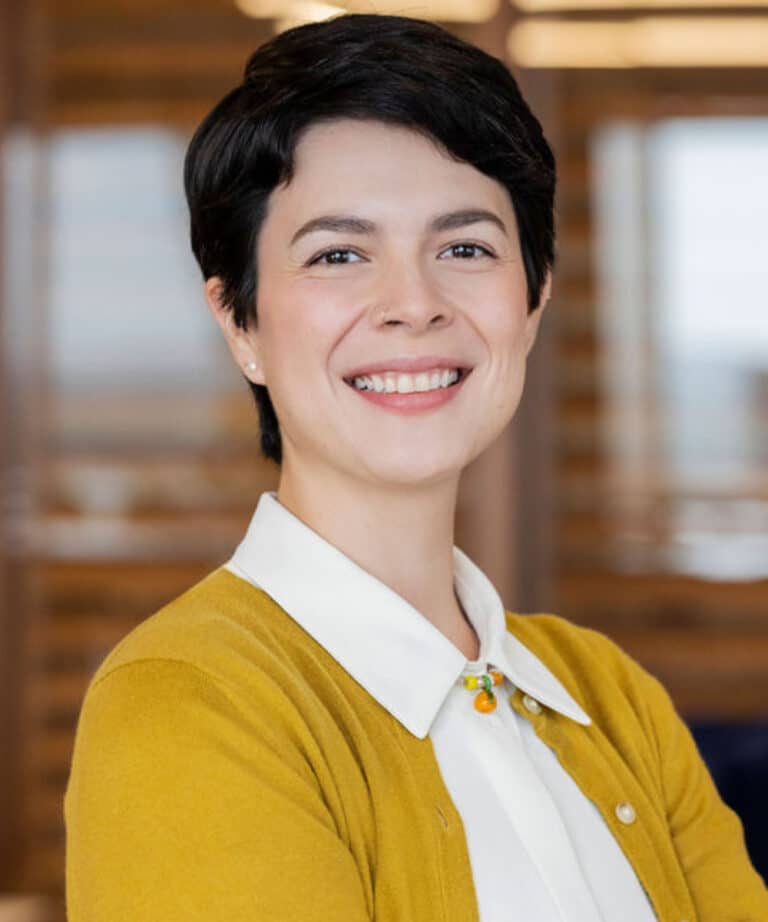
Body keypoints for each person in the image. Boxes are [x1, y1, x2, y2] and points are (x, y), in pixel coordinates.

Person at [63, 13, 768, 922]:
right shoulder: (186, 706)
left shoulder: (609, 696)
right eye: (340, 254)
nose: (412, 304)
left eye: (465, 247)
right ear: (240, 322)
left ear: (534, 302)